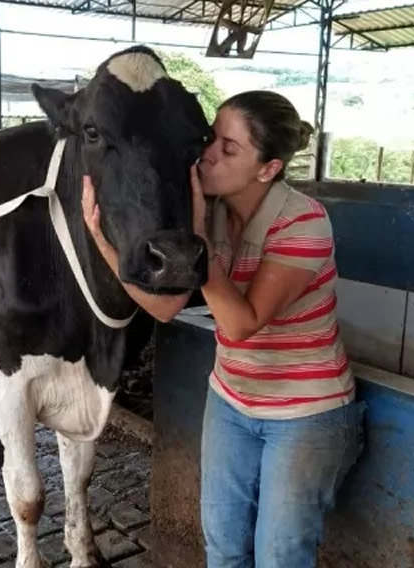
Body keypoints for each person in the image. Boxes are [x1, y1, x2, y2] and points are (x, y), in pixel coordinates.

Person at [82, 90, 364, 568]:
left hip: (306, 416)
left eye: (229, 150)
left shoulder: (303, 222)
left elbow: (240, 324)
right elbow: (167, 308)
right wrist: (103, 242)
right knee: (224, 550)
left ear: (267, 169)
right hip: (231, 402)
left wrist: (197, 246)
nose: (208, 153)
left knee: (280, 557)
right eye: (211, 139)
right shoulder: (211, 213)